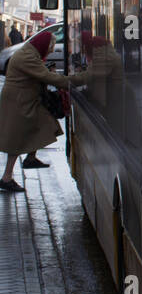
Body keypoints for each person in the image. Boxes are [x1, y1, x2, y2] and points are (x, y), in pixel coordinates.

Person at [0, 30, 87, 193]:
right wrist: (80, 79)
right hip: (18, 101)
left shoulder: (29, 53)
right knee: (17, 138)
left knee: (43, 124)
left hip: (25, 100)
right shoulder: (27, 57)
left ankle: (30, 159)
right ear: (43, 45)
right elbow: (49, 78)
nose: (51, 51)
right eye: (50, 47)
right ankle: (6, 177)